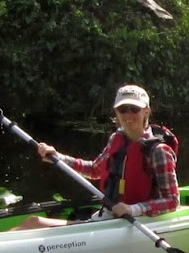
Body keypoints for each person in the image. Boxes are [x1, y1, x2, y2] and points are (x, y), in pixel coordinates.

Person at [16, 84, 180, 229]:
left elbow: (172, 200)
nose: (128, 115)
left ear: (146, 111)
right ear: (116, 112)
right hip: (109, 218)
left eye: (134, 109)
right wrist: (59, 158)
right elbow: (95, 170)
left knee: (34, 223)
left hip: (134, 223)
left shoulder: (159, 151)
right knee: (33, 222)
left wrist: (134, 209)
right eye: (123, 109)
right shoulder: (117, 139)